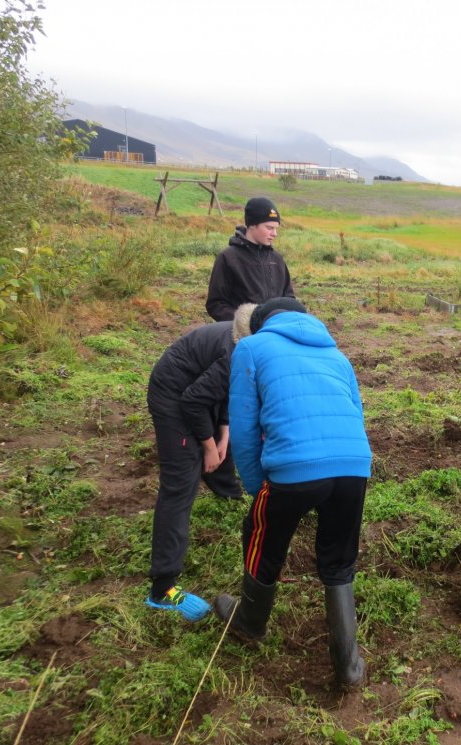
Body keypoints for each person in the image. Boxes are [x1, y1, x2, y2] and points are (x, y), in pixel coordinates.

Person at [216, 298, 373, 691]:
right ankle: (349, 666)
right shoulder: (337, 354)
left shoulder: (251, 348)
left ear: (261, 323)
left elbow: (245, 428)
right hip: (354, 464)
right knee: (338, 559)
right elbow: (356, 412)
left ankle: (250, 623)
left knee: (261, 537)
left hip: (293, 469)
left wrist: (257, 491)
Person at [144, 303, 257, 622]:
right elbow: (193, 401)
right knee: (181, 481)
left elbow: (224, 394)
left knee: (223, 447)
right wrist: (208, 446)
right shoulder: (236, 354)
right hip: (173, 395)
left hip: (198, 391)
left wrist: (222, 437)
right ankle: (162, 589)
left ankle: (228, 496)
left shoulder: (242, 345)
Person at [205, 197, 295, 322]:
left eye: (276, 228)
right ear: (252, 225)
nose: (275, 233)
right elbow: (216, 305)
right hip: (241, 335)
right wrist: (248, 323)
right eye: (269, 228)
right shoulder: (228, 258)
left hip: (275, 332)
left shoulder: (277, 259)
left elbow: (289, 298)